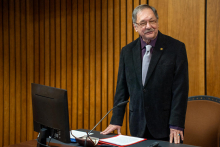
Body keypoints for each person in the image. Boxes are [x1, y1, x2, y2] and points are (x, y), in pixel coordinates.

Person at [100, 4, 189, 144]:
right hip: (137, 126)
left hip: (166, 127)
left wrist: (176, 124)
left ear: (157, 22)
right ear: (135, 27)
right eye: (143, 23)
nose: (149, 26)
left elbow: (180, 91)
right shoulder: (127, 52)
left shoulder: (176, 48)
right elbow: (121, 90)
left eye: (152, 21)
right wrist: (116, 119)